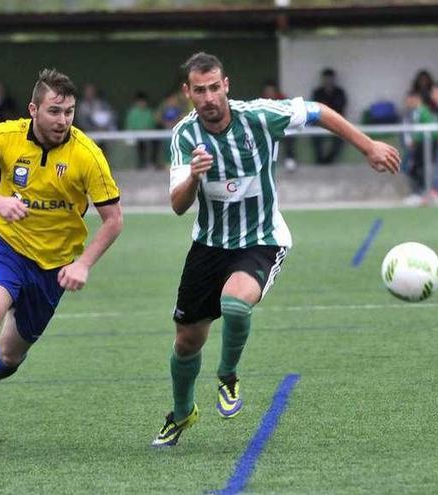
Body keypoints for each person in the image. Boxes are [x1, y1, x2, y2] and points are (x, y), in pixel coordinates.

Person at [153, 52, 400, 447]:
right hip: (209, 245)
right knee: (186, 342)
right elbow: (178, 205)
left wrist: (368, 145)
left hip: (261, 239)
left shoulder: (259, 116)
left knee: (235, 303)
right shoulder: (184, 136)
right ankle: (182, 413)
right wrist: (195, 178)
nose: (209, 97)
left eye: (215, 87)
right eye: (200, 90)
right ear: (188, 93)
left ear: (226, 85)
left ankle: (228, 376)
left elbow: (318, 111)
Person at [0, 69, 124, 454]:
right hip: (3, 246)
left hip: (53, 267)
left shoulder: (87, 155)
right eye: (55, 111)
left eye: (69, 112)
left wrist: (83, 264)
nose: (63, 121)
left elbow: (114, 220)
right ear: (34, 109)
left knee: (9, 355)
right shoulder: (4, 137)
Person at [400, 90, 436, 206]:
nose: (408, 102)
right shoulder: (412, 112)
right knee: (412, 169)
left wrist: (415, 140)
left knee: (415, 169)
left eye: (411, 100)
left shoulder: (423, 111)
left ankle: (422, 194)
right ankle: (420, 193)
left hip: (421, 145)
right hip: (415, 146)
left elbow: (427, 126)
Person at [310, 67, 347, 165]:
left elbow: (341, 106)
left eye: (330, 79)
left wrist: (328, 107)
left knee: (341, 138)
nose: (328, 81)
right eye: (326, 79)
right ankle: (320, 160)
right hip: (320, 121)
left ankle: (329, 161)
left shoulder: (339, 92)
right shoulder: (318, 92)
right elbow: (315, 107)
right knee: (315, 136)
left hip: (336, 121)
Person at [261, 79, 298, 171]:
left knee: (289, 135)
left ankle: (290, 159)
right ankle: (264, 163)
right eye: (267, 91)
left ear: (275, 91)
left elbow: (290, 115)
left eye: (271, 91)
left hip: (283, 127)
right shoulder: (261, 101)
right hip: (267, 129)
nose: (269, 93)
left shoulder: (283, 99)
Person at [124, 91, 159, 168]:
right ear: (136, 102)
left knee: (155, 142)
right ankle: (140, 164)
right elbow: (130, 126)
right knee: (140, 145)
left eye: (143, 101)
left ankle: (152, 162)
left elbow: (152, 125)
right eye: (140, 102)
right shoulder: (132, 113)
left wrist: (147, 129)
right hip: (135, 136)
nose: (142, 103)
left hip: (147, 136)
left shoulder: (149, 112)